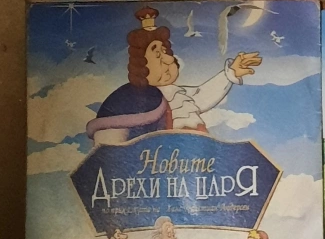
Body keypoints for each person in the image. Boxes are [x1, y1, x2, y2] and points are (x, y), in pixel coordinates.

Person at [86, 7, 261, 145]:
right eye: (157, 54)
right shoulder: (126, 100)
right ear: (141, 65)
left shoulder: (177, 93)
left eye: (165, 51)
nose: (169, 59)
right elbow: (110, 146)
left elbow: (201, 95)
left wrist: (230, 73)